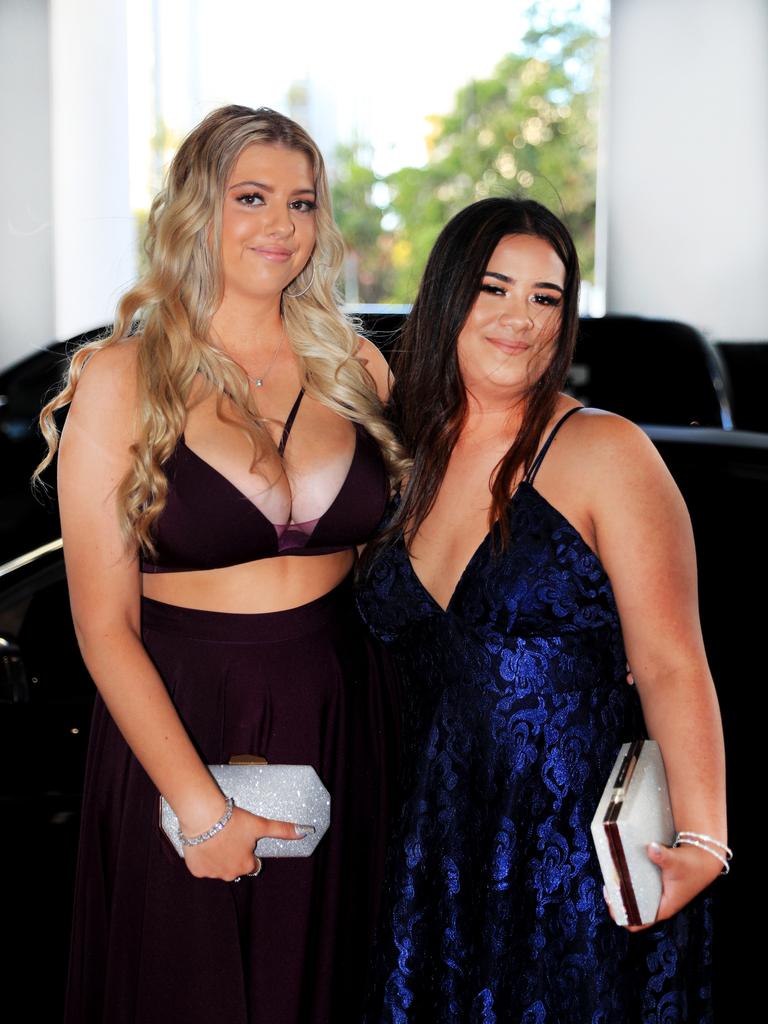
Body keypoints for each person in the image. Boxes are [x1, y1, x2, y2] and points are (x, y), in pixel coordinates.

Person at [36, 105, 404, 1024]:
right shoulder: (121, 380)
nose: (282, 225)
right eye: (252, 197)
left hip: (342, 720)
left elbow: (400, 570)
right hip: (181, 729)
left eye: (302, 202)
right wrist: (200, 811)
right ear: (198, 210)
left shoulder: (357, 368)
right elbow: (101, 625)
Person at [356, 197, 727, 1022]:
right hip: (432, 846)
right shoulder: (401, 456)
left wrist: (703, 837)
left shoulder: (606, 451)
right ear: (449, 296)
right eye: (495, 289)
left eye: (546, 297)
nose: (520, 319)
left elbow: (671, 658)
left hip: (569, 854)